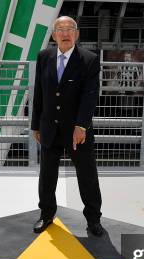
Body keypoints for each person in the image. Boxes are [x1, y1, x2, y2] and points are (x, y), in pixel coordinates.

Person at [31, 16, 104, 237]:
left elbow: (90, 96)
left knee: (87, 175)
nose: (65, 33)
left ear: (77, 34)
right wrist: (36, 125)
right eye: (60, 29)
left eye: (70, 29)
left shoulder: (89, 59)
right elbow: (39, 93)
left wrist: (81, 125)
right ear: (54, 35)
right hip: (49, 128)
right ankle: (46, 214)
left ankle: (93, 219)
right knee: (47, 175)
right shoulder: (44, 57)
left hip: (77, 132)